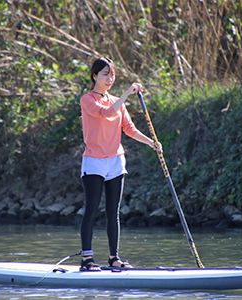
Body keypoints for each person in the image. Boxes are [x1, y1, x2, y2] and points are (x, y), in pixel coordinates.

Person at [79, 57, 161, 271]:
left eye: (112, 74)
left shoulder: (117, 102)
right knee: (91, 210)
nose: (109, 78)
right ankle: (87, 259)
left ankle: (114, 258)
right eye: (105, 74)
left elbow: (130, 129)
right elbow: (105, 113)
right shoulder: (87, 100)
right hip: (94, 162)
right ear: (94, 76)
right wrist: (126, 94)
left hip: (115, 161)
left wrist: (152, 143)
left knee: (113, 211)